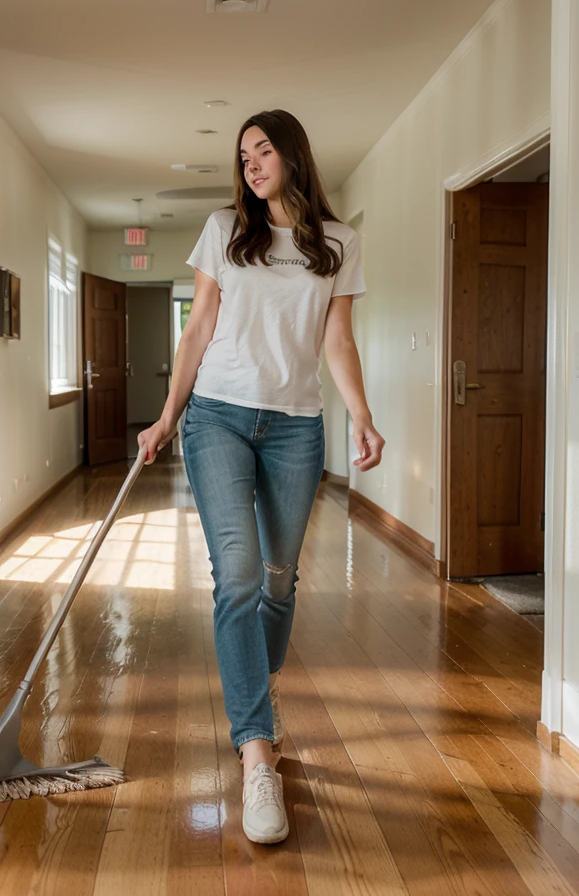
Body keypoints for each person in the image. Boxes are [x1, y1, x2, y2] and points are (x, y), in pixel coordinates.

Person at [138, 109, 384, 845]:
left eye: (263, 149)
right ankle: (256, 752)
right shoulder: (225, 229)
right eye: (242, 154)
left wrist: (361, 417)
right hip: (216, 416)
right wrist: (165, 415)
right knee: (238, 576)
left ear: (293, 155)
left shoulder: (339, 244)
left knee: (279, 578)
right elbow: (198, 327)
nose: (249, 163)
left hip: (294, 428)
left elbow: (337, 339)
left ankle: (258, 692)